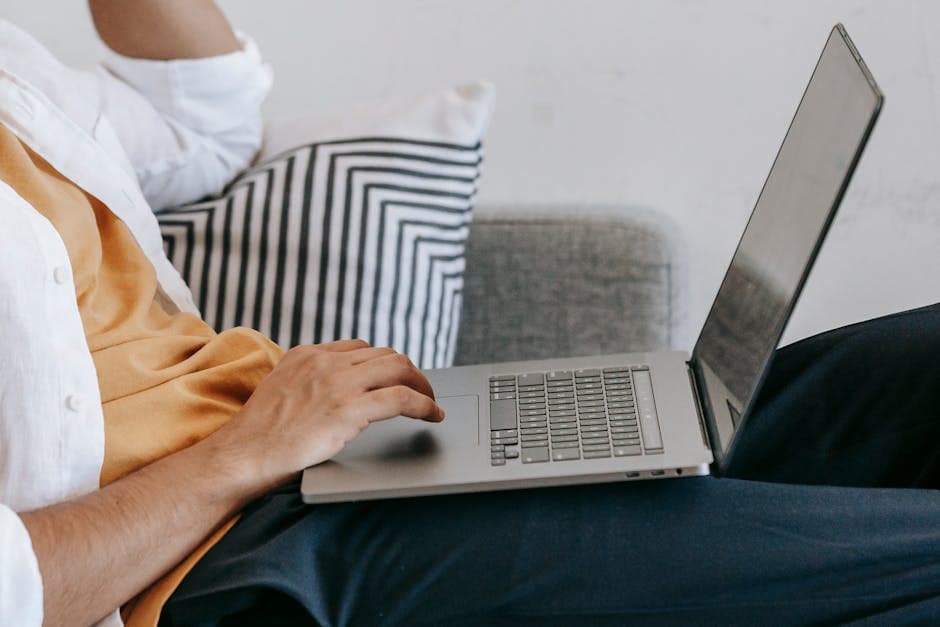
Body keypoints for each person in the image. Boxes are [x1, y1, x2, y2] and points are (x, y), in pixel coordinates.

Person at [0, 3, 936, 626]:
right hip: (220, 567)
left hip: (321, 460)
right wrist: (244, 452)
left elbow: (205, 124)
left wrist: (279, 438)